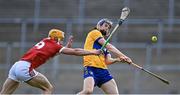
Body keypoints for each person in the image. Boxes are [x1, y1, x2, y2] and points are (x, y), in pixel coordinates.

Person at [0, 28, 101, 94]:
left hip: (16, 66)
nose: (61, 42)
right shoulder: (54, 44)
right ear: (55, 38)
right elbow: (75, 51)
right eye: (60, 39)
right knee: (48, 88)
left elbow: (52, 52)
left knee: (4, 93)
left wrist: (66, 47)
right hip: (25, 68)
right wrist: (93, 52)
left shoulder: (45, 41)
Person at [78, 18, 133, 94]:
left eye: (109, 28)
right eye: (105, 25)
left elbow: (107, 61)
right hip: (91, 67)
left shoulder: (104, 46)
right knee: (88, 91)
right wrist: (124, 56)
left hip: (103, 71)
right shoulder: (95, 32)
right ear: (99, 25)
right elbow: (109, 46)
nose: (107, 28)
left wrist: (118, 59)